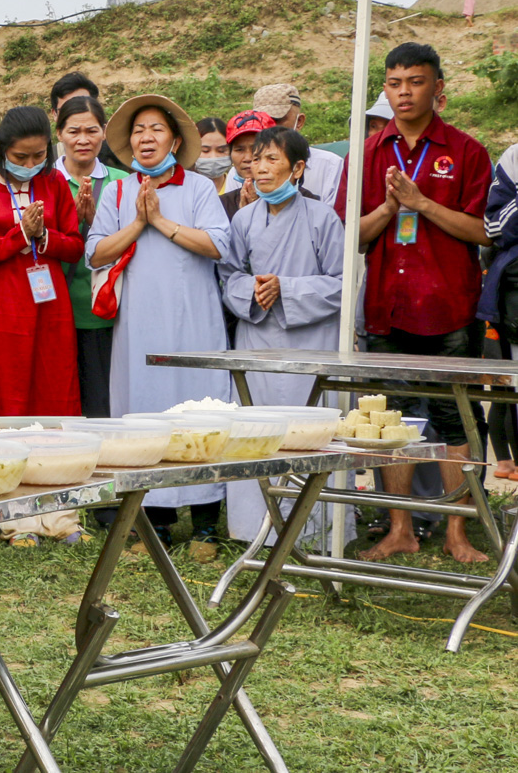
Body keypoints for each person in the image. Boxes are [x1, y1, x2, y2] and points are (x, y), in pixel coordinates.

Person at [336, 42, 491, 564]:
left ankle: (457, 532)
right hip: (385, 303)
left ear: (438, 88)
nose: (404, 92)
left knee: (456, 422)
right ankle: (398, 527)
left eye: (416, 81)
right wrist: (388, 207)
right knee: (389, 421)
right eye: (395, 82)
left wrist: (422, 203)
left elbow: (483, 233)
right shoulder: (369, 151)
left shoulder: (466, 151)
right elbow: (350, 235)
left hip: (448, 306)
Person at [87, 94, 233, 552]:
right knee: (146, 411)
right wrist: (137, 222)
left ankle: (208, 523)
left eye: (155, 129)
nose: (145, 138)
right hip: (139, 324)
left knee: (200, 410)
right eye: (137, 131)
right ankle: (158, 523)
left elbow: (217, 245)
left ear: (173, 138)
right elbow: (95, 251)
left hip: (194, 319)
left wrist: (162, 222)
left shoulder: (198, 189)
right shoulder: (116, 191)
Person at [218, 127, 348, 543]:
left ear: (298, 168)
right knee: (256, 432)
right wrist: (251, 292)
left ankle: (315, 531)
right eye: (256, 159)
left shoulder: (322, 217)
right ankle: (252, 529)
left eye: (272, 159)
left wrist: (287, 289)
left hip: (308, 345)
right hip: (257, 340)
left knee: (306, 434)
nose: (260, 168)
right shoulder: (243, 218)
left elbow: (345, 283)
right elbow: (228, 275)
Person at [0, 106, 82, 422]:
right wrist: (18, 235)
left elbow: (74, 247)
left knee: (54, 379)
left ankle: (58, 455)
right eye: (19, 157)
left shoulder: (54, 182)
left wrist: (43, 236)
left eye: (38, 156)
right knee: (4, 381)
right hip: (2, 303)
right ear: (2, 151)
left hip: (50, 301)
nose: (30, 165)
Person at [54, 96, 125, 418]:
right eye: (73, 131)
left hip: (101, 311)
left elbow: (130, 244)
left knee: (100, 400)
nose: (83, 140)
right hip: (52, 308)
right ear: (59, 133)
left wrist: (96, 223)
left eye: (91, 130)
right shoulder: (44, 182)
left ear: (105, 131)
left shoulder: (121, 183)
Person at [478, 140, 518, 480]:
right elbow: (492, 228)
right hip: (508, 310)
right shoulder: (514, 158)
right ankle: (506, 461)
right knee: (505, 390)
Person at [250, 83, 343, 202]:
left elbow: (332, 218)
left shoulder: (330, 166)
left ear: (299, 121)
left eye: (277, 120)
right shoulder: (242, 169)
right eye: (262, 121)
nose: (270, 128)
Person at [220, 110, 278, 221]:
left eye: (255, 148)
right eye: (239, 149)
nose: (248, 158)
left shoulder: (302, 202)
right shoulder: (221, 205)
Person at [194, 116, 233, 192]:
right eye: (205, 151)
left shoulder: (238, 187)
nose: (213, 157)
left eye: (221, 151)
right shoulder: (184, 190)